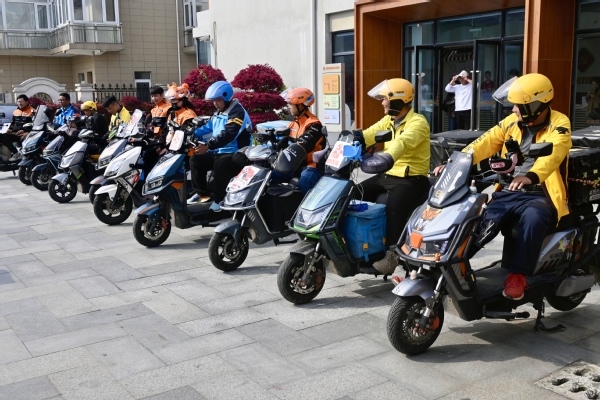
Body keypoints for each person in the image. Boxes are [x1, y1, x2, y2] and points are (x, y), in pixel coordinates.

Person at [433, 73, 571, 300]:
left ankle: (518, 275)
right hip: (509, 190)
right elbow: (484, 143)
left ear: (536, 105)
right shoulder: (511, 122)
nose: (514, 109)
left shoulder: (560, 123)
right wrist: (454, 163)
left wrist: (531, 176)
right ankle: (449, 265)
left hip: (540, 193)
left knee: (534, 218)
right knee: (480, 220)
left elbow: (555, 153)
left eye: (519, 105)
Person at [359, 78, 431, 275]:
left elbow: (403, 142)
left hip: (411, 179)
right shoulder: (389, 120)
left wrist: (387, 156)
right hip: (387, 174)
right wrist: (352, 138)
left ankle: (392, 254)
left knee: (394, 209)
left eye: (385, 99)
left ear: (398, 100)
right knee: (354, 193)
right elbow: (369, 134)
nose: (382, 103)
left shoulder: (418, 122)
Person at [188, 81, 251, 209]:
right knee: (195, 160)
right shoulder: (219, 112)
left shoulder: (237, 112)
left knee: (220, 164)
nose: (215, 104)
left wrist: (209, 145)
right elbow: (208, 127)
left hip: (237, 153)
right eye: (213, 101)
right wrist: (191, 133)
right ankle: (203, 194)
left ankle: (220, 199)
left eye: (218, 100)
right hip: (219, 151)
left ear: (227, 97)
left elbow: (229, 134)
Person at [279, 87, 327, 193]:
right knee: (269, 175)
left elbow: (303, 145)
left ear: (300, 105)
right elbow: (283, 143)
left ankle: (312, 203)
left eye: (290, 104)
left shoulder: (314, 124)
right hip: (293, 165)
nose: (288, 106)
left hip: (311, 166)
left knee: (305, 181)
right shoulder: (293, 124)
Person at [0, 94, 36, 161]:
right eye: (18, 102)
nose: (20, 103)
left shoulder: (32, 111)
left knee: (24, 138)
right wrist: (10, 129)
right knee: (2, 136)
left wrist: (24, 130)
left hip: (26, 133)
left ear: (26, 102)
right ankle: (16, 153)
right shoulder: (16, 111)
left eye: (21, 101)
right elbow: (13, 123)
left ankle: (26, 156)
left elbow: (33, 124)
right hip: (15, 133)